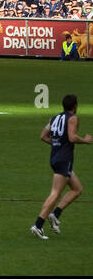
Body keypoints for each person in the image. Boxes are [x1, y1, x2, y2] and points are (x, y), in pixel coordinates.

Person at [32, 94, 92, 239]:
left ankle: (55, 214)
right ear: (75, 106)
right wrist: (86, 140)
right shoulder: (73, 118)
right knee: (55, 193)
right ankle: (38, 225)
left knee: (77, 189)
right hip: (64, 159)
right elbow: (72, 137)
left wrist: (57, 144)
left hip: (55, 158)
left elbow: (43, 136)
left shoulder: (54, 118)